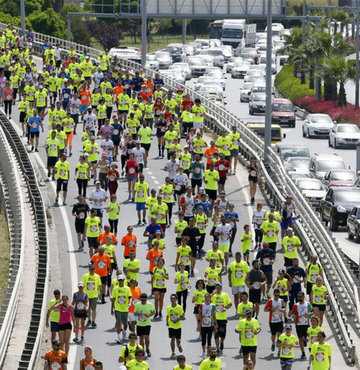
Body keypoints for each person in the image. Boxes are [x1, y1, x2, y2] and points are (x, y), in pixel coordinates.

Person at [291, 291, 313, 359]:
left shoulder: (308, 304)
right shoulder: (295, 305)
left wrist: (309, 314)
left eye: (300, 296)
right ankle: (303, 353)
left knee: (306, 338)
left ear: (303, 297)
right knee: (300, 338)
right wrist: (293, 316)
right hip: (298, 324)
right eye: (298, 297)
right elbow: (292, 313)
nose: (299, 298)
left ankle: (305, 340)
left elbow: (312, 311)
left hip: (306, 324)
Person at [211, 282, 232, 354]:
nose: (218, 288)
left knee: (223, 333)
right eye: (216, 287)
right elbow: (207, 302)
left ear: (221, 288)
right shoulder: (213, 296)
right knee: (216, 334)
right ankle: (217, 348)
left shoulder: (225, 295)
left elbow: (230, 304)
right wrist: (212, 294)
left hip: (223, 318)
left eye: (219, 287)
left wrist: (225, 308)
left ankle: (222, 342)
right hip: (215, 318)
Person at [264, 288, 286, 355]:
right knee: (273, 335)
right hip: (272, 321)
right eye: (276, 295)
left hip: (279, 320)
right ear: (273, 294)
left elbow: (284, 307)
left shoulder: (281, 300)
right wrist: (271, 309)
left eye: (278, 295)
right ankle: (273, 343)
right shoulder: (270, 301)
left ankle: (279, 349)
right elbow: (265, 309)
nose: (277, 297)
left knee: (279, 335)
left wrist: (282, 310)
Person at [111, 274, 132, 343]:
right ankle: (119, 337)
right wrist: (112, 309)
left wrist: (129, 303)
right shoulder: (115, 289)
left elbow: (130, 297)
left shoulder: (127, 288)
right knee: (119, 322)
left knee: (125, 323)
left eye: (122, 280)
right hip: (118, 308)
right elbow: (113, 299)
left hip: (125, 308)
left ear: (124, 280)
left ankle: (124, 331)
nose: (121, 281)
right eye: (119, 280)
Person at [134, 293, 154, 358]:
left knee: (146, 337)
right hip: (139, 324)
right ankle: (142, 351)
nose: (143, 301)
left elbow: (153, 312)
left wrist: (149, 315)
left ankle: (147, 348)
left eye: (144, 300)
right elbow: (134, 313)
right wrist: (138, 313)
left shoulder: (150, 305)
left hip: (147, 324)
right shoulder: (137, 305)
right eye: (142, 300)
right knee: (141, 338)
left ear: (146, 299)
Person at [82, 264, 101, 328]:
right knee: (87, 309)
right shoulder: (85, 276)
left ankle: (93, 321)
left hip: (94, 295)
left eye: (93, 269)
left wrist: (100, 294)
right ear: (89, 270)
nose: (92, 270)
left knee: (94, 309)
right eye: (91, 269)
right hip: (86, 296)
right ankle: (89, 319)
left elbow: (99, 285)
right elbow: (82, 285)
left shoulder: (97, 276)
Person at [198, 293, 217, 358]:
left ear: (210, 298)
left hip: (210, 324)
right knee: (203, 339)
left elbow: (214, 316)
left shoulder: (213, 306)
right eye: (205, 297)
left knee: (209, 339)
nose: (206, 299)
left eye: (208, 297)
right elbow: (200, 314)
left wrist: (215, 324)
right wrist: (199, 324)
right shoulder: (201, 305)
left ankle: (208, 353)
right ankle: (203, 352)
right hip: (203, 324)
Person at [166, 293, 184, 358]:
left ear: (176, 299)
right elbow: (167, 315)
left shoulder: (179, 307)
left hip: (178, 326)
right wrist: (167, 322)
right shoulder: (168, 308)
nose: (172, 299)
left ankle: (179, 345)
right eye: (171, 298)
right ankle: (173, 352)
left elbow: (182, 316)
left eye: (174, 298)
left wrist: (177, 320)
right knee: (172, 339)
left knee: (178, 340)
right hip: (171, 326)